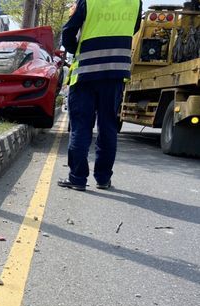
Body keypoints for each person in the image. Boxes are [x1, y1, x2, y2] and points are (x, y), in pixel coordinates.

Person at [58, 0, 142, 191]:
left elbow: (68, 32)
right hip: (115, 74)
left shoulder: (88, 1)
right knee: (108, 127)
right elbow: (134, 28)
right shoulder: (135, 2)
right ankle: (103, 179)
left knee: (81, 126)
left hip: (86, 73)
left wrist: (77, 48)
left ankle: (78, 178)